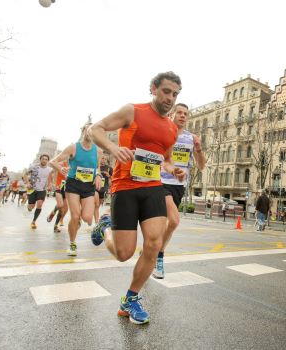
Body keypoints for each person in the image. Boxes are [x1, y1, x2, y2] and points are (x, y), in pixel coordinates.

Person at [89, 71, 185, 325]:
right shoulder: (132, 111)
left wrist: (172, 168)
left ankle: (130, 298)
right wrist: (112, 147)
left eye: (175, 94)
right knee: (124, 253)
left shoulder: (172, 128)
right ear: (153, 89)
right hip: (125, 187)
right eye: (166, 91)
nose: (170, 98)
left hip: (153, 187)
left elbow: (165, 158)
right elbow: (94, 129)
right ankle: (106, 226)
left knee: (154, 244)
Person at [152, 103, 206, 279]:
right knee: (174, 221)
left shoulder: (191, 138)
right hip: (161, 182)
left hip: (179, 186)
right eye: (179, 113)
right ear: (172, 114)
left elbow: (201, 165)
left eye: (186, 114)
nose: (183, 116)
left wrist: (198, 149)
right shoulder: (163, 132)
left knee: (164, 225)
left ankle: (152, 252)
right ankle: (158, 256)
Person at [50, 123, 102, 256]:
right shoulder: (73, 147)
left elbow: (98, 168)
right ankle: (72, 244)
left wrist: (98, 175)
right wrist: (61, 168)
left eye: (93, 130)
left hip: (88, 186)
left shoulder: (98, 151)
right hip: (73, 184)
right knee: (75, 216)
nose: (90, 132)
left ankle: (77, 223)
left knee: (87, 218)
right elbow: (53, 161)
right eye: (88, 129)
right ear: (83, 131)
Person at [26, 155, 54, 229]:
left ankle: (34, 221)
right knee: (31, 207)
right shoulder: (34, 167)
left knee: (39, 204)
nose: (44, 160)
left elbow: (50, 179)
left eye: (46, 159)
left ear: (48, 161)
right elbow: (26, 174)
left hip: (42, 190)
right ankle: (29, 207)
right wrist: (27, 183)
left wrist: (50, 185)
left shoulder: (49, 169)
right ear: (40, 159)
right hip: (32, 189)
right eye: (43, 159)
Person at [47, 160, 69, 233]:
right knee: (60, 205)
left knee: (62, 211)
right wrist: (50, 184)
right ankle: (52, 212)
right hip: (59, 186)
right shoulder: (61, 163)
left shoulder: (76, 165)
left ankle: (56, 226)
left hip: (69, 189)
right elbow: (50, 173)